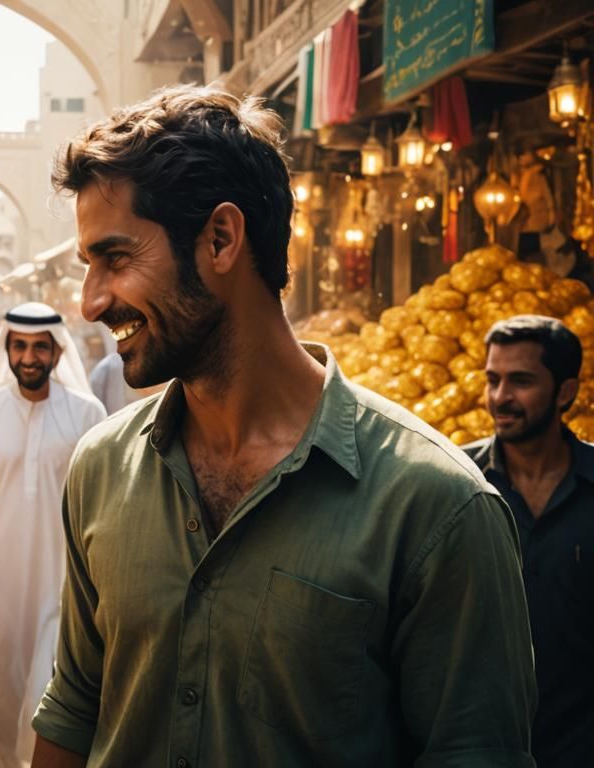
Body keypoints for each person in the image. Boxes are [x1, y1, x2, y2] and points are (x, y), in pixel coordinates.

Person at [31, 86, 536, 767]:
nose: (90, 302)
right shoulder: (101, 469)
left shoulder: (436, 508)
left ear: (220, 239)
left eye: (114, 260)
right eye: (87, 266)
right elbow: (76, 707)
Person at [0, 303, 104, 768]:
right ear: (7, 350)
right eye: (20, 346)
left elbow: (102, 506)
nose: (29, 357)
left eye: (39, 347)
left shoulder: (87, 416)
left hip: (65, 585)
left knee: (49, 696)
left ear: (56, 352)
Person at [463, 315, 593, 768]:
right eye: (492, 380)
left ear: (566, 391)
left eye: (520, 382)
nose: (501, 398)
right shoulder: (455, 484)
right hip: (478, 748)